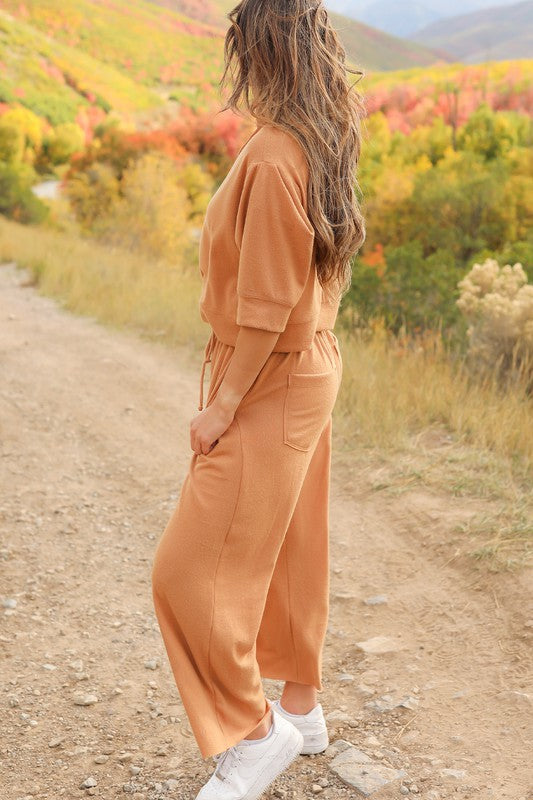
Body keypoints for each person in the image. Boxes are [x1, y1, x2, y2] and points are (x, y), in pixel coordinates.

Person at [151, 1, 365, 797]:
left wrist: (222, 405)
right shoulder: (321, 133)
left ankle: (253, 733)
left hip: (270, 371)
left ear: (262, 53)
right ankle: (301, 709)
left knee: (184, 571)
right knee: (289, 542)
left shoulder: (276, 153)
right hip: (308, 365)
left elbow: (268, 303)